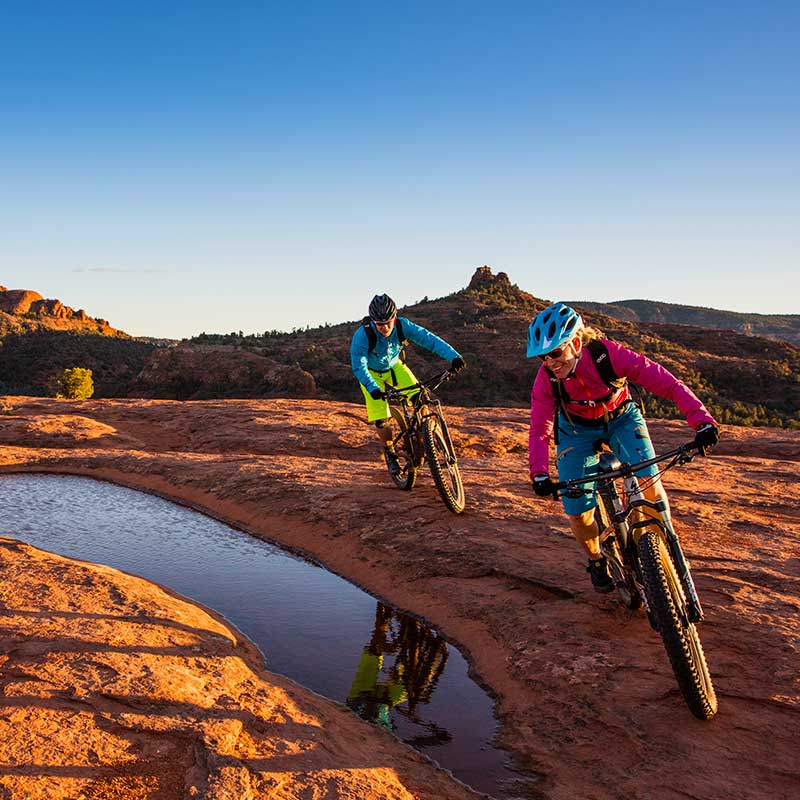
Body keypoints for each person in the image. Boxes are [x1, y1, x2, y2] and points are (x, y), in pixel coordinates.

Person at [526, 302, 719, 593]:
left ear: (576, 343)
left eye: (555, 353)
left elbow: (666, 382)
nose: (550, 363)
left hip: (622, 419)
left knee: (650, 484)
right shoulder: (547, 379)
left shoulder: (608, 355)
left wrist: (701, 420)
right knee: (578, 510)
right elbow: (540, 428)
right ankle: (596, 558)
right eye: (543, 357)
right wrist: (539, 473)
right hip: (575, 431)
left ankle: (668, 545)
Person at [350, 293, 465, 475]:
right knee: (381, 420)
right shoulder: (362, 335)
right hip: (371, 374)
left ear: (394, 317)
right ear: (373, 321)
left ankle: (424, 437)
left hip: (394, 367)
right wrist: (372, 388)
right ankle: (390, 452)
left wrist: (454, 357)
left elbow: (429, 340)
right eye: (380, 324)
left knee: (422, 398)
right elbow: (359, 366)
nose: (385, 328)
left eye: (388, 322)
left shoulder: (403, 326)